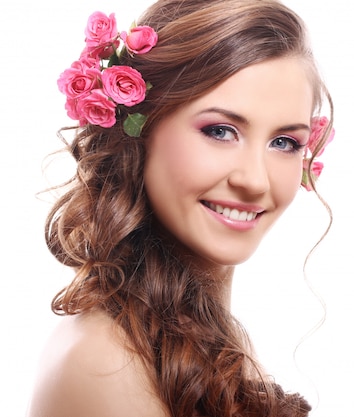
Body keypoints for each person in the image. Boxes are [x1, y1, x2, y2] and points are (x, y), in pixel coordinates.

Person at [27, 0, 334, 416]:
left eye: (284, 142)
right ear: (140, 131)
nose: (256, 180)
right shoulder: (107, 363)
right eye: (220, 131)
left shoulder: (207, 338)